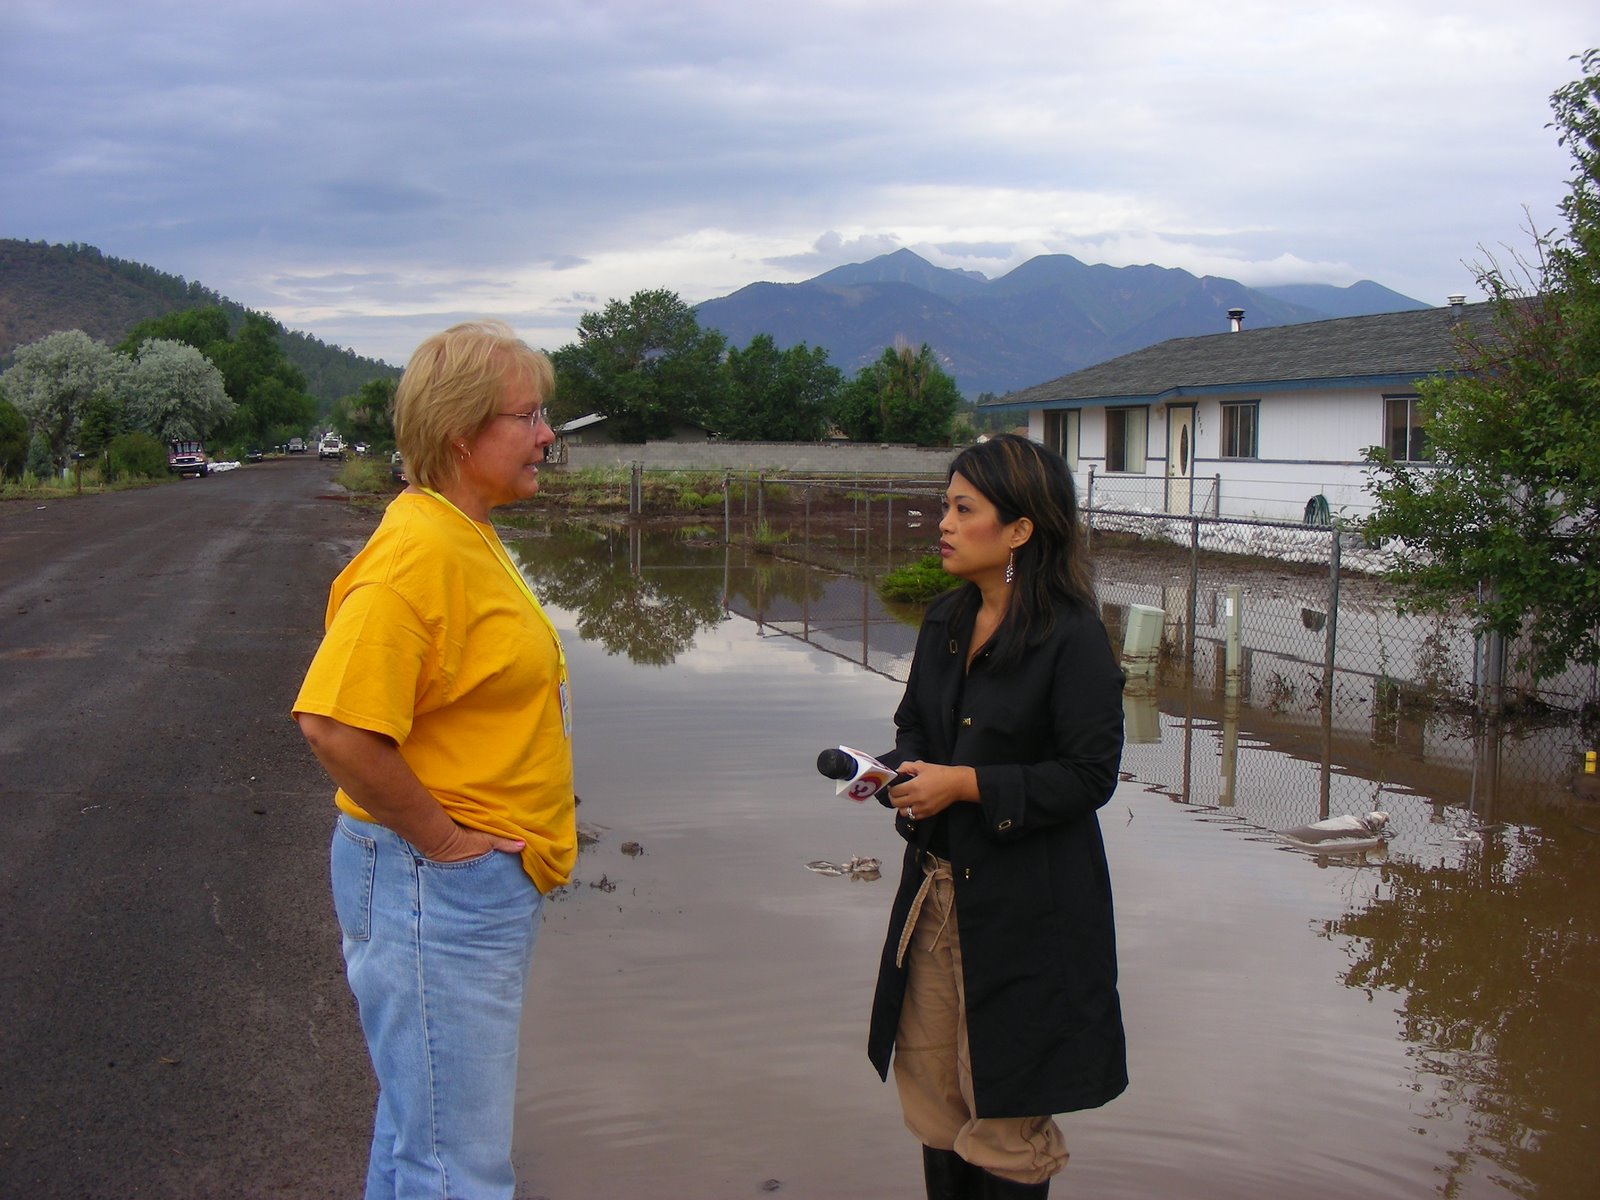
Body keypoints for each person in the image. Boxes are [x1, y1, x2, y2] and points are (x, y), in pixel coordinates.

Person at [292, 320, 572, 1200]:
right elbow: (335, 726)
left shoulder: (462, 532)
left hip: (458, 887)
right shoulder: (416, 555)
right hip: (436, 887)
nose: (546, 435)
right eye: (527, 416)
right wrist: (447, 844)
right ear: (459, 433)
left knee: (421, 1137)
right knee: (458, 1168)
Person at [867, 434, 1127, 1199]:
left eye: (962, 509)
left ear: (1019, 530)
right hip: (937, 897)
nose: (943, 523)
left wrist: (966, 785)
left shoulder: (1072, 636)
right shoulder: (946, 619)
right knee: (934, 1097)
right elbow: (915, 725)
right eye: (945, 506)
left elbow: (1089, 776)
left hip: (1029, 912)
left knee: (1008, 1112)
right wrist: (903, 772)